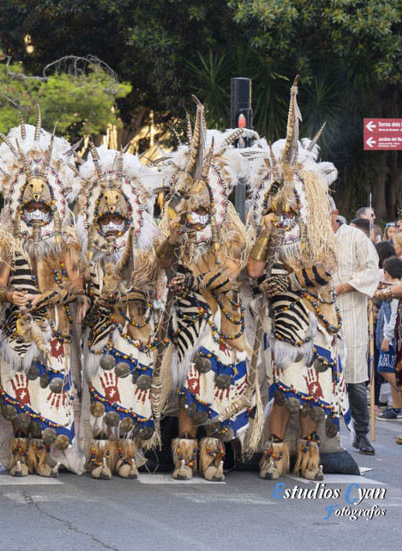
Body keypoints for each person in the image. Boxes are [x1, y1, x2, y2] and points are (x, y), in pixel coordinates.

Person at [246, 79, 349, 480]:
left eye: (293, 205)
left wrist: (289, 282)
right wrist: (267, 234)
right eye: (280, 204)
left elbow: (326, 266)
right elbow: (255, 273)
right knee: (285, 387)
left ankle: (308, 455)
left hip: (319, 316)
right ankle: (274, 454)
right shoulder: (267, 227)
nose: (286, 208)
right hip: (281, 319)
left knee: (314, 393)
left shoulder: (318, 225)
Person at [155, 108, 253, 481]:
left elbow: (229, 274)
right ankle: (183, 457)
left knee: (216, 386)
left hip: (220, 318)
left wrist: (194, 282)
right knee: (185, 389)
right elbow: (163, 262)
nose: (196, 208)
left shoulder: (229, 227)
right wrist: (174, 237)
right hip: (185, 320)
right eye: (190, 201)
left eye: (202, 201)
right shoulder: (177, 223)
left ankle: (212, 458)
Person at [0, 118, 84, 478]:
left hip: (52, 330)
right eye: (30, 206)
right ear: (19, 205)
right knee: (20, 400)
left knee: (50, 395)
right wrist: (10, 294)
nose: (37, 212)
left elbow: (76, 286)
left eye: (43, 206)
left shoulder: (65, 241)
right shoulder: (6, 242)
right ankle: (21, 456)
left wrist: (48, 298)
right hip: (16, 331)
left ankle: (46, 456)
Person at [73, 144, 161, 480]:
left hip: (135, 333)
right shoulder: (86, 252)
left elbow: (154, 288)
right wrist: (86, 297)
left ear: (130, 216)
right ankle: (99, 457)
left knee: (131, 395)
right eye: (105, 217)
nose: (112, 223)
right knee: (102, 393)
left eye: (118, 217)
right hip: (99, 333)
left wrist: (132, 292)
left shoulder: (146, 249)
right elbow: (79, 287)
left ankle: (127, 456)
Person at [334, 202, 380, 455]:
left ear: (333, 214)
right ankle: (320, 434)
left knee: (354, 377)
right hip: (318, 314)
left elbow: (371, 270)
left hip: (351, 313)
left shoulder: (356, 238)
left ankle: (361, 434)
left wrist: (344, 287)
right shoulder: (312, 236)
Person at [374, 257, 402, 419]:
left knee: (384, 369)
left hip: (392, 339)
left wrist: (387, 338)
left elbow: (394, 318)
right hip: (392, 337)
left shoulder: (395, 292)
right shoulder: (392, 288)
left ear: (386, 273)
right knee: (392, 370)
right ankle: (397, 406)